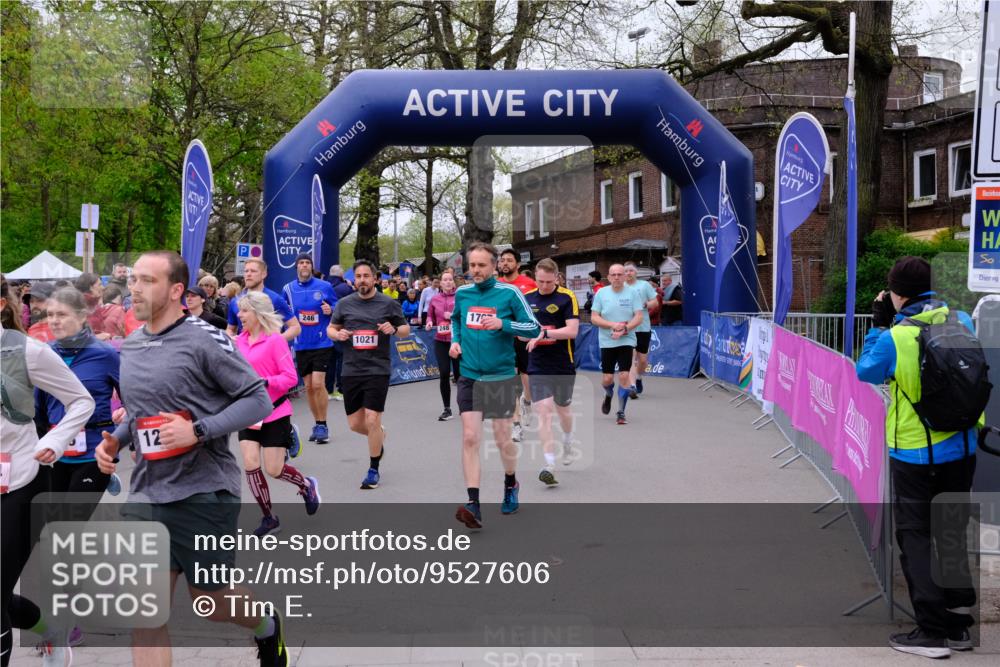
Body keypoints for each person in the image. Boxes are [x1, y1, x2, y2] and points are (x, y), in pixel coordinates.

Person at [93, 251, 286, 667]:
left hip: (203, 491)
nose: (135, 288)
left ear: (177, 290)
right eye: (133, 280)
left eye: (147, 280)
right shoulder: (133, 343)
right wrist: (113, 442)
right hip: (147, 492)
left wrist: (198, 430)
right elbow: (142, 412)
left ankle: (267, 626)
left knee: (212, 602)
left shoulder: (205, 338)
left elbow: (257, 399)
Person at [856, 256, 979, 659]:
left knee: (916, 535)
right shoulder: (962, 318)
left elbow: (866, 372)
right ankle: (960, 625)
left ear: (896, 292)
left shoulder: (897, 335)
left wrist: (878, 325)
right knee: (951, 531)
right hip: (963, 446)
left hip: (914, 450)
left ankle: (931, 632)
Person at [2, 277, 95, 667]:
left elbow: (81, 401)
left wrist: (55, 441)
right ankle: (50, 633)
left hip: (20, 480)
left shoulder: (28, 352)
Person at [450, 242, 540, 529]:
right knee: (469, 437)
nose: (474, 270)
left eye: (480, 265)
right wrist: (455, 340)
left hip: (500, 376)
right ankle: (473, 504)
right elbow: (456, 320)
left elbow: (534, 328)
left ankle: (511, 482)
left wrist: (503, 325)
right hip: (469, 375)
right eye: (471, 265)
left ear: (494, 266)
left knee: (502, 439)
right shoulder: (463, 294)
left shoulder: (509, 293)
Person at [235, 291, 320, 537]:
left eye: (244, 311)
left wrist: (265, 382)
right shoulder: (238, 342)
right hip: (249, 412)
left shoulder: (275, 341)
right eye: (239, 311)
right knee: (250, 463)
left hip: (275, 411)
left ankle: (306, 485)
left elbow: (291, 378)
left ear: (258, 313)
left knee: (274, 469)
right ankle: (269, 518)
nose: (240, 315)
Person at [35, 287, 120, 515]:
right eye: (50, 315)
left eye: (61, 314)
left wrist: (122, 426)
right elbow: (37, 408)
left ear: (82, 316)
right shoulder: (43, 353)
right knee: (51, 523)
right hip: (56, 453)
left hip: (94, 450)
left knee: (70, 520)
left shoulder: (105, 354)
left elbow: (131, 400)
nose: (53, 321)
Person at [326, 260, 409, 490]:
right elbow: (331, 329)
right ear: (354, 280)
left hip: (377, 369)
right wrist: (337, 334)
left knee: (372, 418)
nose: (362, 280)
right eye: (359, 276)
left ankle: (373, 469)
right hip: (351, 369)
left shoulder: (388, 303)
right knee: (355, 424)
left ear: (375, 279)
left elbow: (405, 330)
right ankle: (378, 436)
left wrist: (393, 329)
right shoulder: (344, 304)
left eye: (366, 276)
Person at [523, 259, 580, 484]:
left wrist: (544, 334)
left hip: (562, 363)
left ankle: (567, 439)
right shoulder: (527, 299)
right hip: (537, 364)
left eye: (548, 281)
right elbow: (521, 332)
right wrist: (525, 335)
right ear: (535, 278)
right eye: (540, 281)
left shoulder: (567, 297)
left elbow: (572, 331)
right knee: (544, 411)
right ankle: (549, 464)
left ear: (557, 278)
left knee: (563, 409)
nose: (544, 286)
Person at [282, 253, 337, 444]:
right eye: (301, 263)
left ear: (312, 267)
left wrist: (331, 309)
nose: (304, 266)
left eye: (308, 263)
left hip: (322, 341)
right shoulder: (288, 289)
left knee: (317, 384)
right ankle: (317, 423)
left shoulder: (325, 286)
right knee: (308, 387)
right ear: (296, 267)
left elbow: (337, 305)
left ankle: (323, 424)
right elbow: (283, 313)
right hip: (301, 343)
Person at [590, 264, 643, 425]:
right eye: (614, 275)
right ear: (608, 276)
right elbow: (594, 318)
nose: (617, 277)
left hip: (627, 339)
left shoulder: (633, 293)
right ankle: (608, 394)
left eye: (620, 274)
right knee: (607, 379)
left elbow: (639, 316)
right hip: (607, 340)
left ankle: (621, 412)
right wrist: (613, 325)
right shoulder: (601, 293)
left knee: (624, 375)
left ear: (625, 276)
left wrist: (625, 328)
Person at [497, 249, 538, 443]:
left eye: (509, 260)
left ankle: (527, 400)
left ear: (518, 265)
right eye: (502, 260)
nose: (505, 263)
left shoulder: (529, 285)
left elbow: (535, 312)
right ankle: (516, 425)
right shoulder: (496, 286)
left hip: (523, 337)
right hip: (504, 337)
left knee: (526, 378)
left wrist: (532, 334)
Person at [226, 258, 301, 342]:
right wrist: (231, 337)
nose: (248, 274)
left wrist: (276, 341)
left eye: (253, 271)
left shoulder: (275, 299)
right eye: (246, 271)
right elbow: (230, 329)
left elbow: (295, 327)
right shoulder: (236, 301)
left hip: (268, 353)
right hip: (243, 352)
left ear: (264, 274)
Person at [425, 269, 460, 421]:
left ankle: (466, 407)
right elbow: (429, 316)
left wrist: (452, 316)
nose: (447, 282)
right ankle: (447, 409)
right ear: (440, 282)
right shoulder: (435, 299)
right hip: (440, 340)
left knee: (460, 375)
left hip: (457, 341)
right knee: (444, 373)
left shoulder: (460, 297)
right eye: (444, 279)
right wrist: (429, 322)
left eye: (450, 280)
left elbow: (465, 315)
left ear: (453, 282)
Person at [624, 262, 659, 398]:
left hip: (643, 326)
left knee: (642, 360)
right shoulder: (621, 287)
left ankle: (638, 377)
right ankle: (632, 386)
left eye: (631, 271)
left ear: (636, 272)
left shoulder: (644, 285)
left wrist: (645, 304)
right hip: (628, 327)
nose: (628, 273)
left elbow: (655, 302)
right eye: (626, 271)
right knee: (631, 357)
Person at [325, 265, 355, 402]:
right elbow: (355, 303)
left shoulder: (324, 285)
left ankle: (328, 390)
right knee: (341, 359)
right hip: (342, 327)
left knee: (330, 360)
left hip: (326, 328)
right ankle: (341, 390)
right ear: (342, 274)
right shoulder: (345, 288)